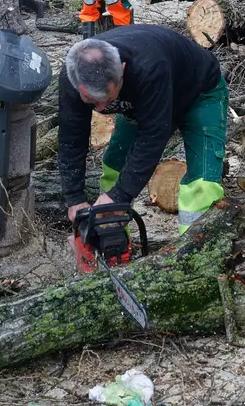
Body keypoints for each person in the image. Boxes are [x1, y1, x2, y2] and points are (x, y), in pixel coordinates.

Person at [57, 26, 229, 248]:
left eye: (107, 97)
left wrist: (121, 195)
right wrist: (75, 199)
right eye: (92, 100)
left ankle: (195, 258)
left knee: (202, 184)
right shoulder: (72, 76)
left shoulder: (149, 66)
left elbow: (153, 136)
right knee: (114, 166)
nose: (101, 107)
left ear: (123, 69)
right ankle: (112, 244)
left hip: (199, 93)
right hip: (145, 101)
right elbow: (71, 139)